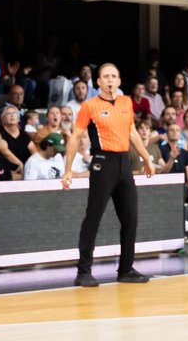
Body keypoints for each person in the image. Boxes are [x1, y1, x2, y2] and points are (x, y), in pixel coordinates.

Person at [64, 63, 155, 287]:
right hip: (103, 164)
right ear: (98, 82)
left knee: (131, 217)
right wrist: (68, 169)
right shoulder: (89, 105)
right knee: (93, 217)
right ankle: (83, 272)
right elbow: (75, 137)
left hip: (124, 163)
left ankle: (126, 269)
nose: (110, 80)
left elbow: (132, 132)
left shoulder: (126, 102)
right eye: (105, 76)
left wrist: (146, 158)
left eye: (114, 76)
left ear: (119, 81)